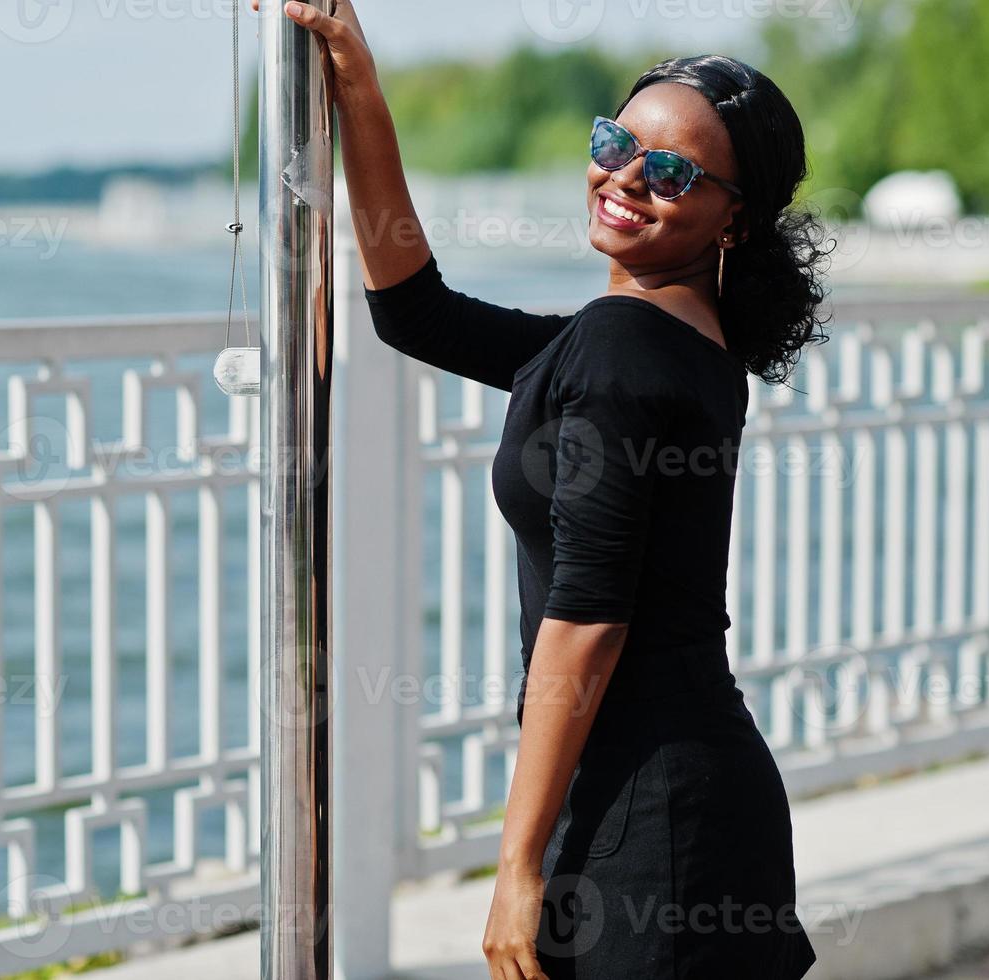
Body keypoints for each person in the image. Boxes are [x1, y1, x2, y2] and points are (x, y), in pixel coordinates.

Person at [263, 2, 830, 976]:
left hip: (648, 825)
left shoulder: (619, 345)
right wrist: (356, 78)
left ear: (731, 214)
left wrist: (517, 864)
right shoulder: (658, 338)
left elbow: (589, 615)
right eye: (617, 143)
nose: (624, 179)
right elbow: (417, 313)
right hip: (665, 795)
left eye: (672, 172)